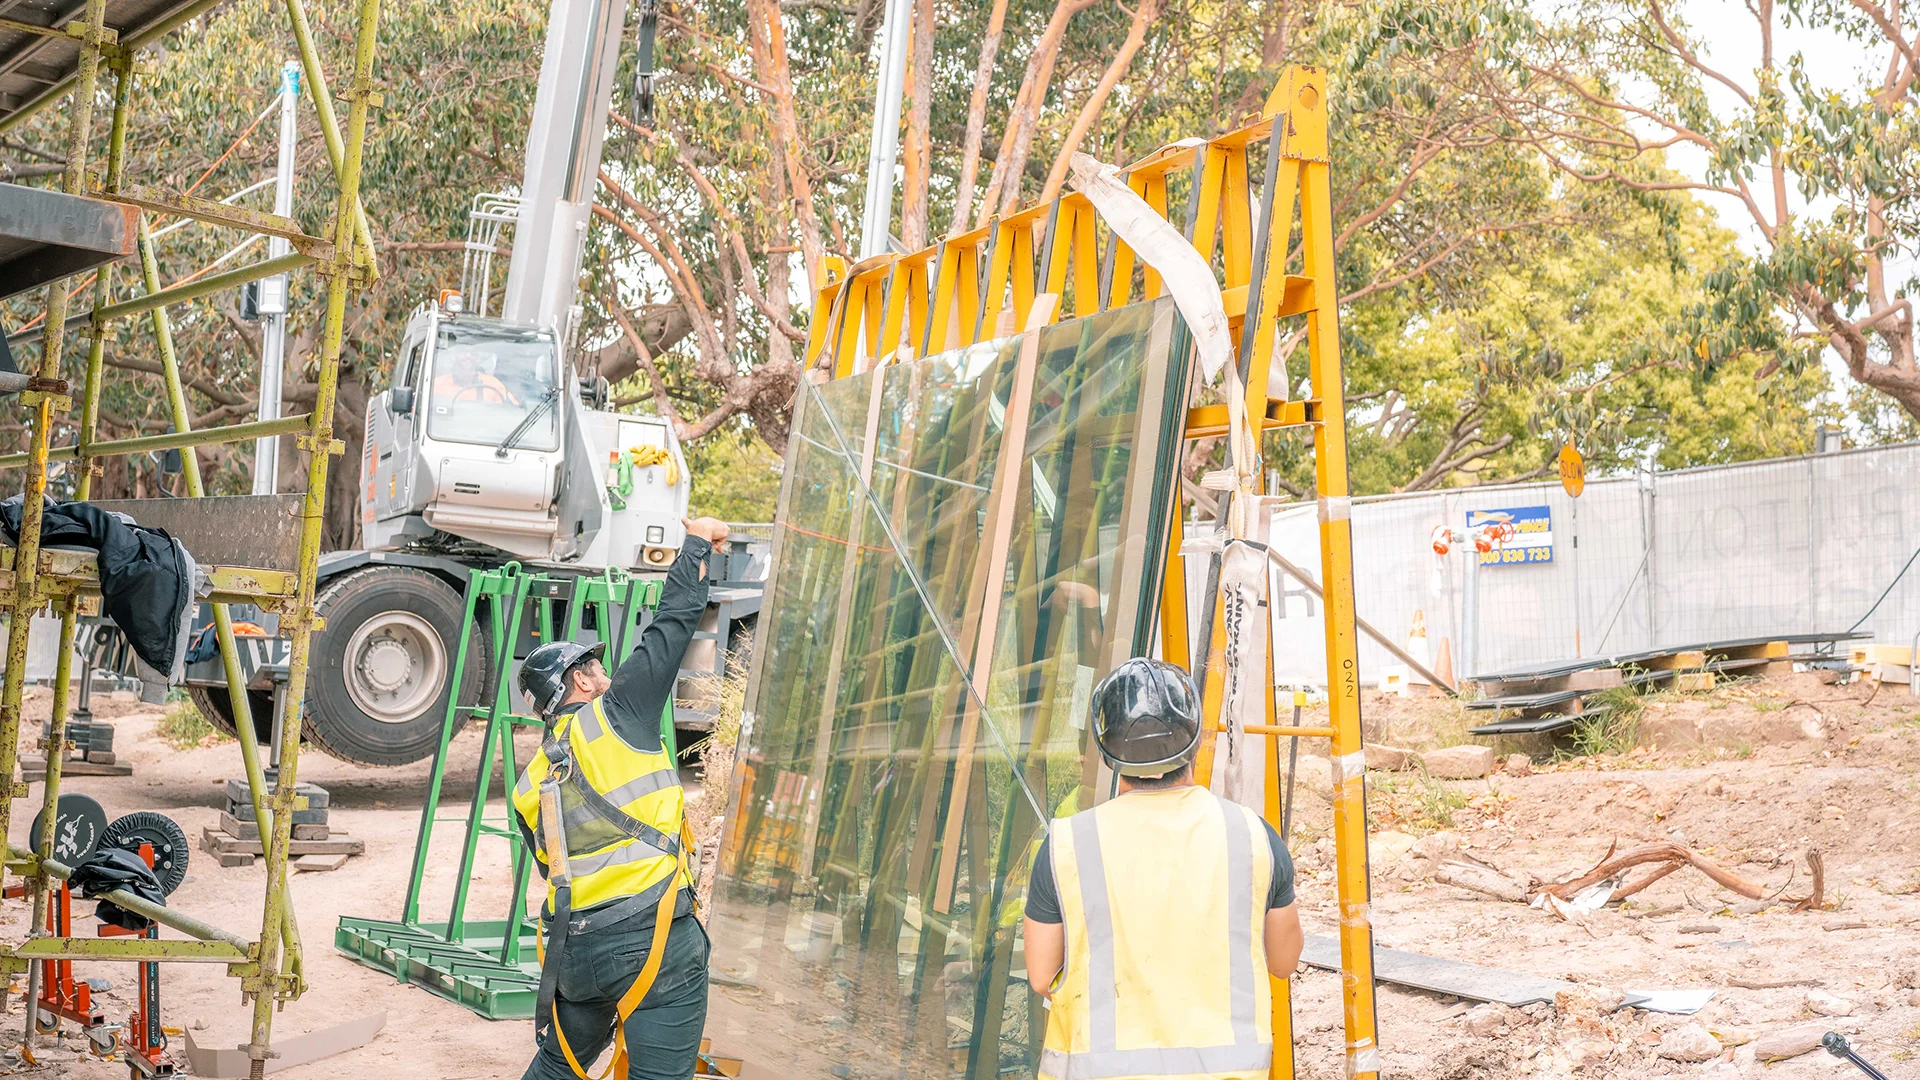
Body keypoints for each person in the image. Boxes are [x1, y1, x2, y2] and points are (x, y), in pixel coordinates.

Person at [510, 517, 730, 1080]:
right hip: (653, 940)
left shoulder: (530, 783)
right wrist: (698, 544)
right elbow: (672, 626)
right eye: (595, 667)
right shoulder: (617, 716)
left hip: (574, 951)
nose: (605, 673)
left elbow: (551, 863)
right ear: (581, 682)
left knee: (560, 1066)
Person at [1023, 657, 1304, 1080]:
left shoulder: (1068, 845)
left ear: (1107, 752)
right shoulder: (1253, 837)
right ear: (1193, 742)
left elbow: (1043, 976)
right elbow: (1284, 961)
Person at [433, 346, 514, 404]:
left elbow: (513, 411)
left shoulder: (493, 385)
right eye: (463, 351)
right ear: (454, 356)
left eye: (473, 353)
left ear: (478, 358)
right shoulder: (436, 384)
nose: (468, 356)